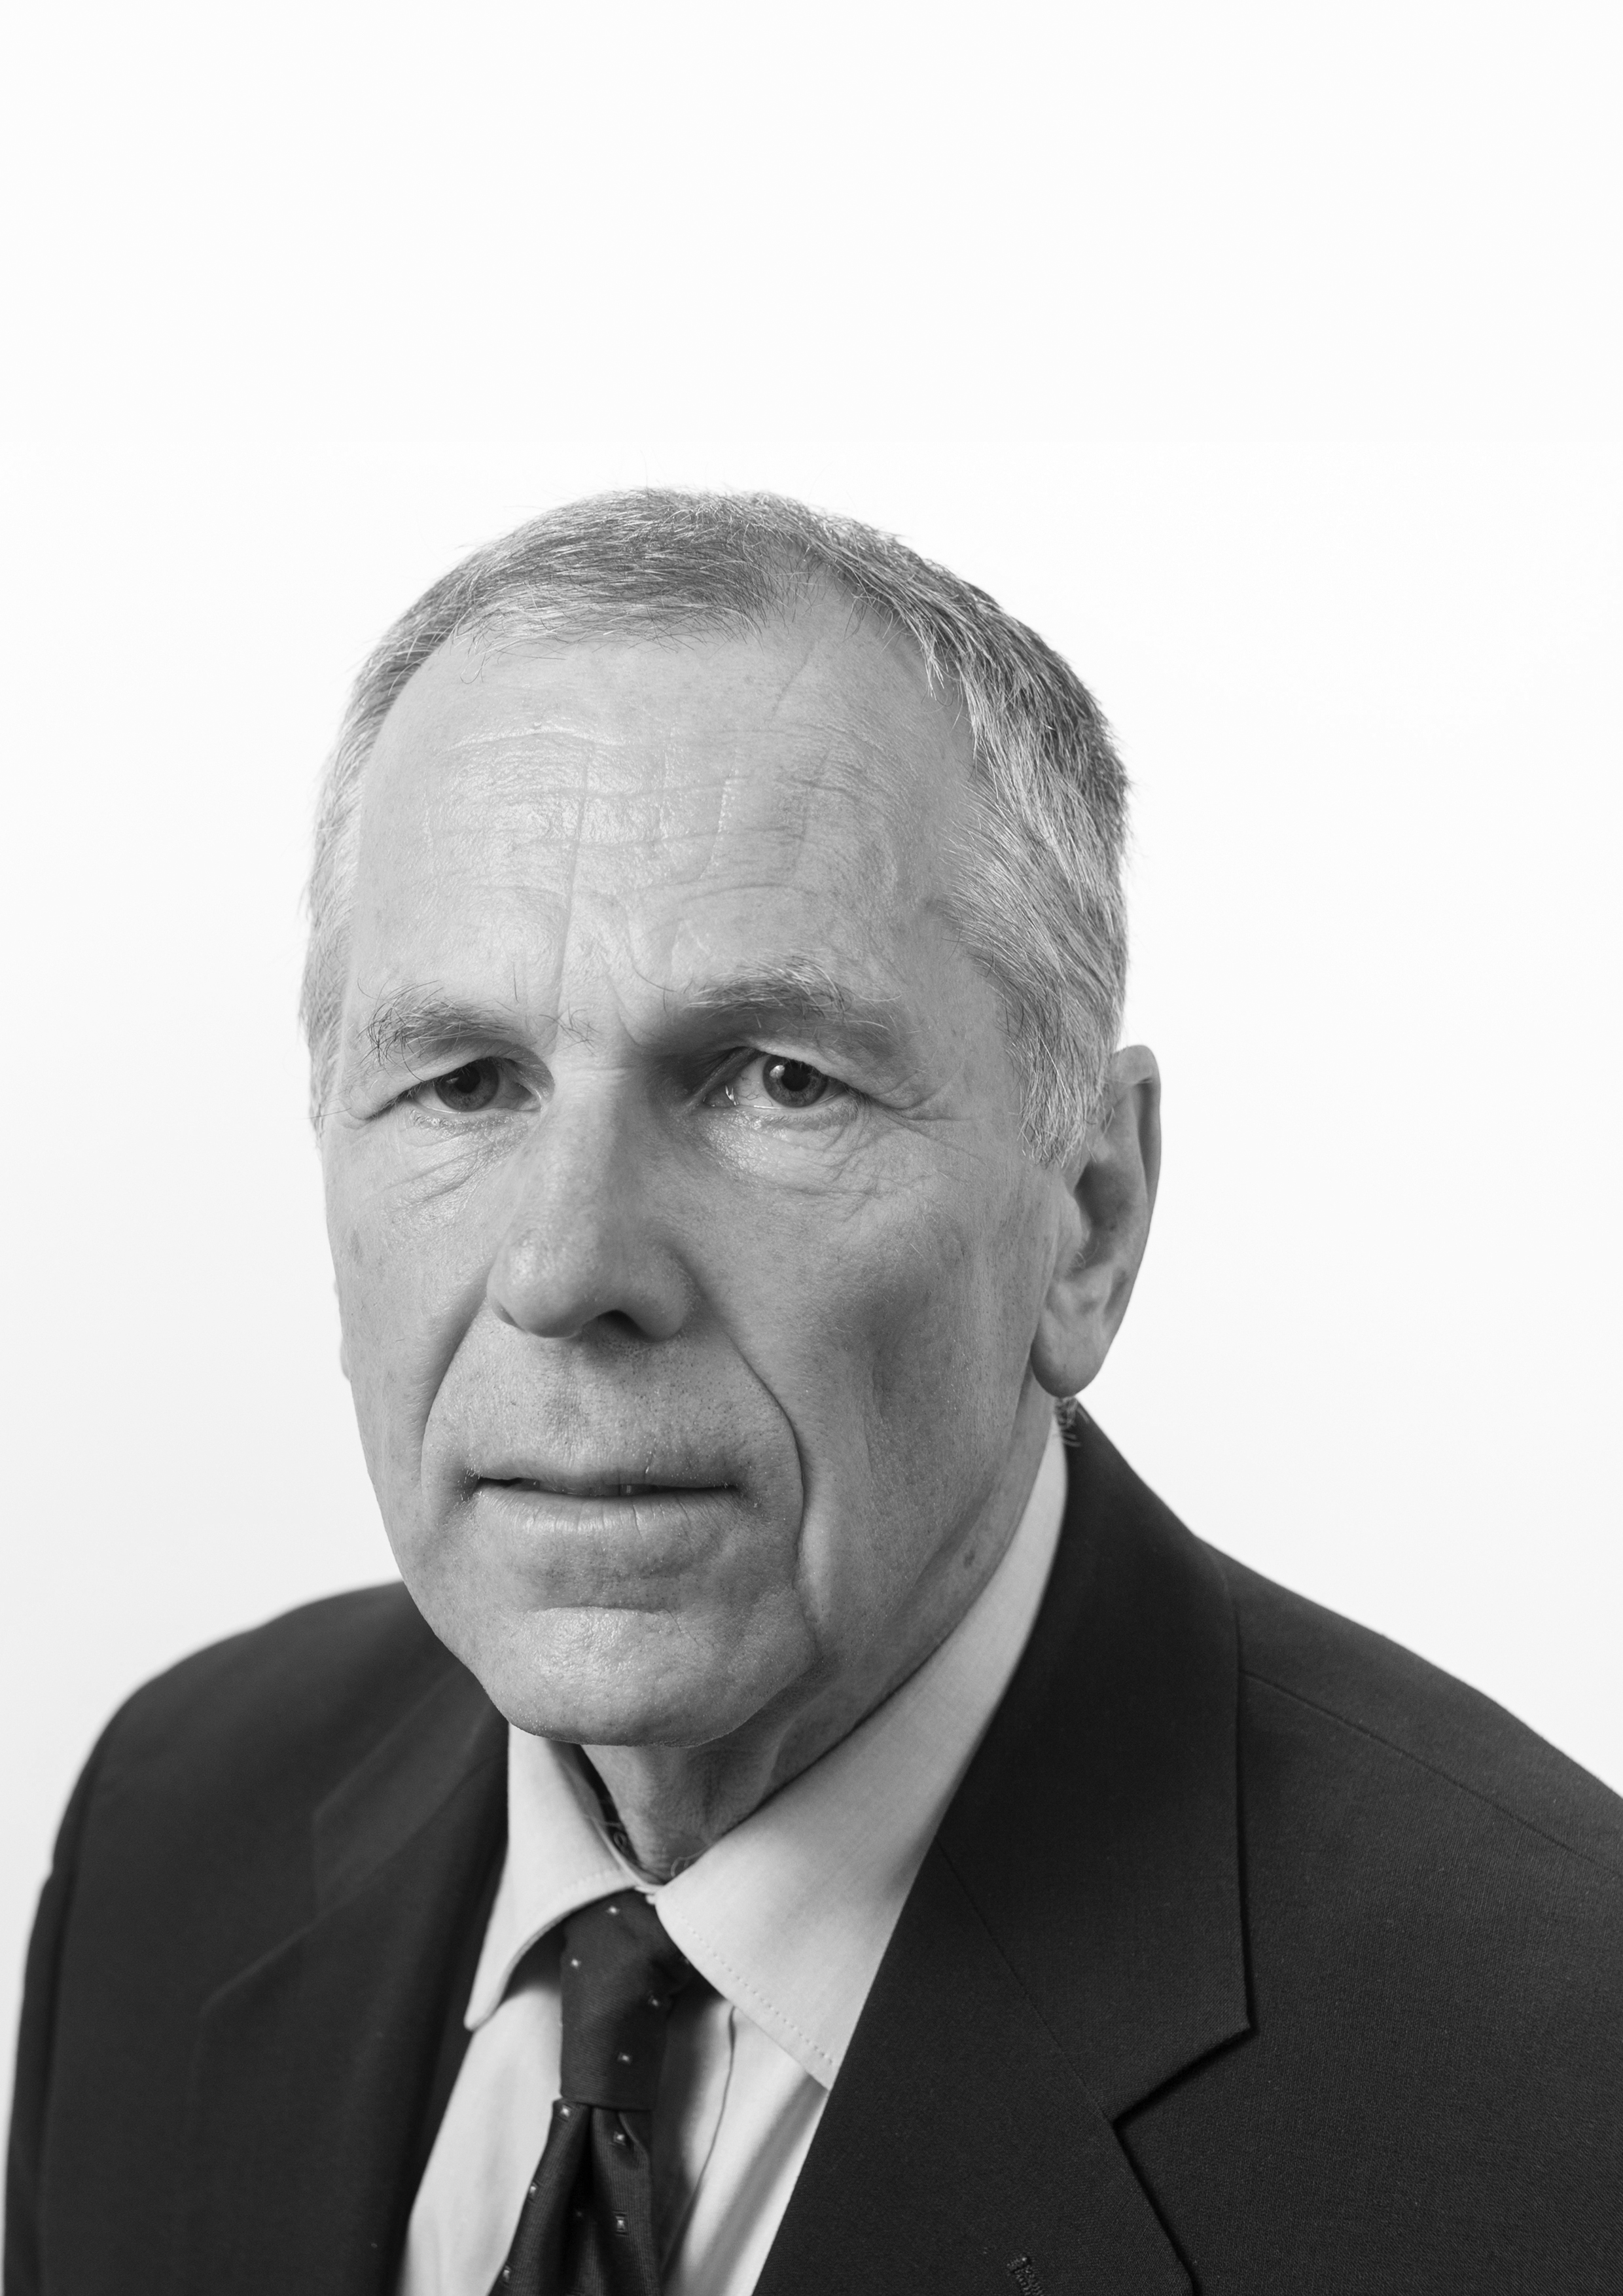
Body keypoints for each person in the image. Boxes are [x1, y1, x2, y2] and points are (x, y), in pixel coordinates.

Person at [8, 492, 1620, 2296]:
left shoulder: (1561, 2102)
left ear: (1087, 1218)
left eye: (776, 1079)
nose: (565, 1265)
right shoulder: (174, 1827)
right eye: (465, 1082)